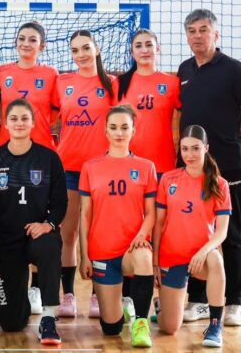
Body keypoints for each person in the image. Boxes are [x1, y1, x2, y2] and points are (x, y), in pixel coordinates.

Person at [177, 9, 241, 326]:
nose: (197, 36)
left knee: (231, 235)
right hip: (192, 170)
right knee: (195, 233)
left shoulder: (234, 71)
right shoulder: (185, 70)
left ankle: (235, 301)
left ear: (216, 34)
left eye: (203, 30)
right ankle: (199, 299)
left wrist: (235, 149)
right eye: (192, 31)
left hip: (227, 168)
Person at [0, 99, 66, 344]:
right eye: (14, 118)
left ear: (33, 123)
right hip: (5, 241)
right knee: (11, 324)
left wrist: (48, 224)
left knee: (50, 244)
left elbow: (60, 203)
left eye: (24, 118)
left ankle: (48, 317)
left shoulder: (48, 158)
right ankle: (20, 302)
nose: (19, 123)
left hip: (35, 235)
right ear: (5, 124)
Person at [0, 22, 60, 314]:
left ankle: (36, 288)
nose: (26, 43)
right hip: (7, 157)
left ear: (41, 46)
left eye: (33, 40)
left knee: (40, 222)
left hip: (40, 158)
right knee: (8, 218)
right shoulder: (2, 72)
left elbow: (54, 112)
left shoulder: (51, 74)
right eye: (21, 38)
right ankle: (11, 282)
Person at [78, 105, 157, 348]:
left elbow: (151, 212)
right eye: (113, 127)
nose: (119, 133)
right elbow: (85, 216)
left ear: (133, 130)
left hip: (131, 249)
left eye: (124, 127)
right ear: (106, 131)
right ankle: (121, 307)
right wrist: (84, 256)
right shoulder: (90, 167)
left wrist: (142, 234)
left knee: (144, 256)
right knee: (111, 329)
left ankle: (141, 323)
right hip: (102, 251)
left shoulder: (146, 167)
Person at [55, 29, 116, 317]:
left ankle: (96, 295)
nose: (80, 54)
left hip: (101, 169)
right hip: (68, 166)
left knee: (98, 234)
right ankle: (68, 295)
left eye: (86, 48)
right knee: (67, 233)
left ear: (97, 49)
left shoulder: (112, 84)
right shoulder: (62, 82)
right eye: (75, 50)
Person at [153, 125, 231, 348]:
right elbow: (158, 224)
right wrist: (155, 261)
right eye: (185, 149)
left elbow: (222, 231)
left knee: (216, 260)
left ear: (206, 148)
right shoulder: (168, 180)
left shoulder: (219, 184)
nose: (189, 154)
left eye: (195, 148)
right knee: (170, 328)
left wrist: (203, 251)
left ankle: (215, 326)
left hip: (200, 258)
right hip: (171, 257)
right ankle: (161, 306)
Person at [115, 29, 181, 177]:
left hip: (163, 162)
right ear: (132, 52)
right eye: (138, 46)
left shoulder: (172, 83)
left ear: (157, 49)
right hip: (128, 161)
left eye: (149, 45)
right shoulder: (119, 83)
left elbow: (185, 118)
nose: (144, 50)